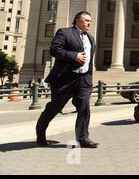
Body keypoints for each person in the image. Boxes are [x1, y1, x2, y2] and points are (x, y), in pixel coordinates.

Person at [35, 12, 99, 148]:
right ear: (77, 21)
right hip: (65, 79)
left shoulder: (91, 38)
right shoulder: (64, 32)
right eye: (86, 20)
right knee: (55, 107)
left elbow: (89, 60)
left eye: (90, 21)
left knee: (84, 108)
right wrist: (73, 55)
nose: (89, 23)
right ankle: (40, 131)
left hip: (84, 80)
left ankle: (82, 138)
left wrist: (89, 77)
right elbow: (54, 50)